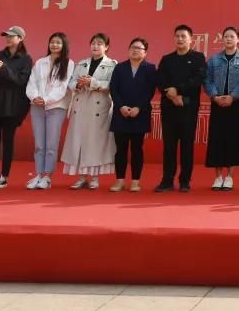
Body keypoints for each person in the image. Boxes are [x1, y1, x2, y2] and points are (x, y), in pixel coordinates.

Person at [61, 33, 117, 189]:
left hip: (99, 108)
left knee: (95, 143)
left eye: (99, 43)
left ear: (106, 47)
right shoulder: (82, 63)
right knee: (79, 142)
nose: (95, 46)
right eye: (93, 43)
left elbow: (112, 85)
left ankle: (94, 178)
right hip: (81, 106)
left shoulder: (112, 65)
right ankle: (81, 177)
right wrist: (79, 84)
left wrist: (93, 82)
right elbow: (71, 82)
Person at [0, 26, 33, 189]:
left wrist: (4, 70)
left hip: (13, 106)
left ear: (20, 38)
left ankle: (4, 176)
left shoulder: (26, 59)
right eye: (6, 36)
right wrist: (4, 74)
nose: (8, 38)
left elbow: (21, 81)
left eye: (12, 36)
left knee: (8, 141)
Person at [155, 24, 205, 192]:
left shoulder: (198, 58)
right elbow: (160, 80)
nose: (180, 39)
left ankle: (185, 181)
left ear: (191, 39)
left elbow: (198, 79)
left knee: (186, 146)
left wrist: (179, 91)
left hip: (188, 108)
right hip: (169, 107)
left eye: (183, 36)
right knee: (169, 146)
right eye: (177, 36)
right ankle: (167, 180)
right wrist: (172, 95)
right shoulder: (167, 59)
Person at [205, 26, 239, 191]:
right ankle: (218, 177)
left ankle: (230, 176)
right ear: (222, 39)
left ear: (238, 39)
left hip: (235, 103)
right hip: (217, 102)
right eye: (226, 36)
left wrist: (233, 96)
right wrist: (215, 96)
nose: (229, 39)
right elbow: (207, 80)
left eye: (232, 36)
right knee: (217, 139)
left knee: (234, 139)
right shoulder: (214, 60)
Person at [25, 32, 73, 190]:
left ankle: (47, 176)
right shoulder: (40, 62)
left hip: (56, 107)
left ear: (63, 45)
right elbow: (31, 83)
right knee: (39, 144)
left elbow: (62, 87)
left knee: (51, 144)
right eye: (52, 42)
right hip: (37, 106)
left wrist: (46, 99)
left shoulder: (68, 64)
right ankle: (38, 174)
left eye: (58, 42)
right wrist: (35, 97)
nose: (54, 45)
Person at [108, 37, 157, 192]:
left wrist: (138, 107)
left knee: (137, 149)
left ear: (145, 52)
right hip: (121, 113)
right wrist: (121, 106)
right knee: (120, 149)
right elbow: (113, 89)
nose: (135, 50)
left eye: (139, 48)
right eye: (132, 47)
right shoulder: (120, 68)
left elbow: (150, 91)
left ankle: (135, 181)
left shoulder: (150, 69)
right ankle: (119, 181)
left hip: (140, 114)